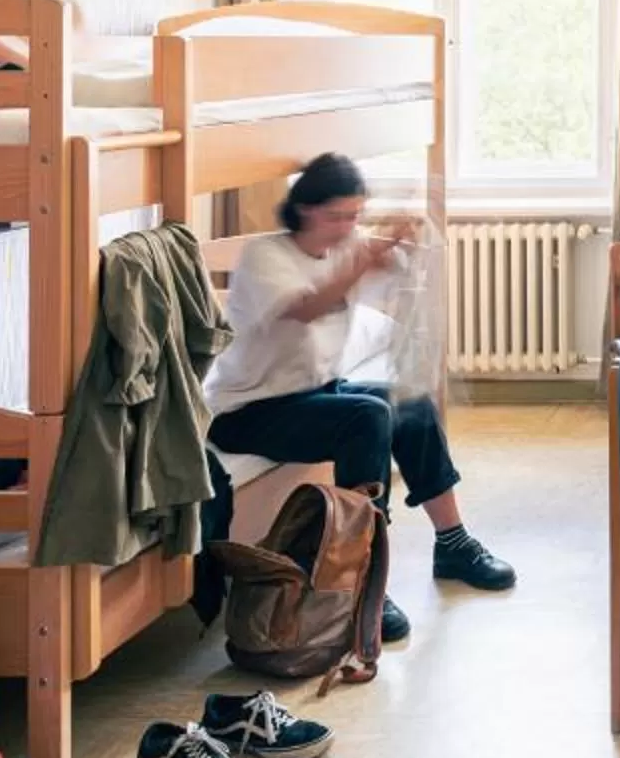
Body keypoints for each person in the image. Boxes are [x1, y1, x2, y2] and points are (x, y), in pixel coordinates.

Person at [201, 153, 514, 642]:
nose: (349, 227)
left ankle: (452, 543)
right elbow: (307, 306)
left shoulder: (344, 246)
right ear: (306, 209)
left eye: (355, 216)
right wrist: (365, 260)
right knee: (367, 416)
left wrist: (399, 241)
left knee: (409, 403)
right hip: (250, 409)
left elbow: (389, 266)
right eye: (338, 216)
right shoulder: (265, 257)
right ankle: (360, 579)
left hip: (312, 394)